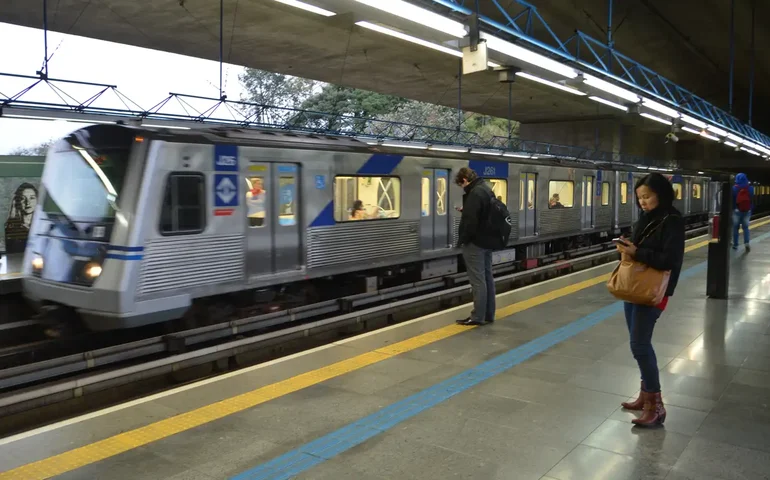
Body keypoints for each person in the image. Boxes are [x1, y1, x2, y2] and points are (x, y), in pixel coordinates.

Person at [615, 173, 684, 427]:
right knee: (638, 343)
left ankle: (656, 406)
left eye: (647, 197)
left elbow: (670, 261)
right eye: (639, 198)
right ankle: (645, 396)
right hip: (634, 288)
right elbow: (641, 249)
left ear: (661, 194)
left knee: (640, 345)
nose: (642, 202)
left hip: (654, 291)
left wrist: (637, 252)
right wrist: (627, 248)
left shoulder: (673, 221)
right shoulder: (645, 218)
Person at [454, 167, 497, 326]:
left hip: (475, 243)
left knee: (477, 281)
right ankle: (488, 314)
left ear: (465, 179)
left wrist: (463, 240)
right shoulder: (486, 190)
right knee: (487, 278)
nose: (462, 187)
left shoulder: (474, 193)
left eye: (461, 184)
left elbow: (471, 223)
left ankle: (477, 316)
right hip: (486, 241)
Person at [4, 183, 38, 254]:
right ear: (17, 202)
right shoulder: (11, 228)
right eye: (23, 198)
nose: (27, 202)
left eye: (32, 198)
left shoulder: (42, 226)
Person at [732, 173, 753, 252]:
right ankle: (746, 243)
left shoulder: (734, 188)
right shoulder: (750, 188)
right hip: (747, 211)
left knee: (735, 228)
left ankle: (735, 245)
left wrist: (734, 208)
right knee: (746, 228)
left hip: (736, 210)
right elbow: (751, 199)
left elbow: (732, 200)